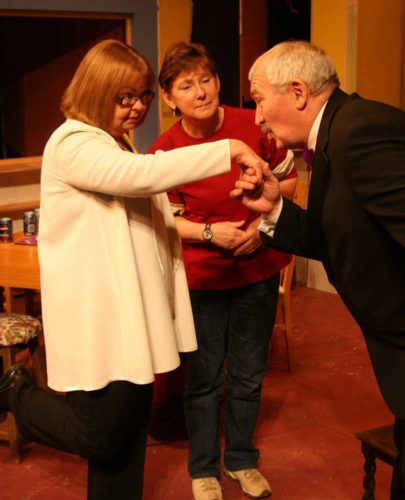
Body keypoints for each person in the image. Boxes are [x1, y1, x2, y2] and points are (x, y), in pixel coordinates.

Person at [0, 39, 268, 500]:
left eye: (143, 96)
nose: (138, 107)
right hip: (100, 320)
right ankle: (16, 392)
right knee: (101, 437)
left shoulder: (112, 141)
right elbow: (139, 175)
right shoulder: (72, 142)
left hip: (132, 320)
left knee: (125, 443)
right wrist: (226, 149)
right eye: (125, 97)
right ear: (96, 90)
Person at [231, 40, 405, 499]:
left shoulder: (360, 132)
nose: (257, 117)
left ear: (297, 91)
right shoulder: (333, 135)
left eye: (258, 99)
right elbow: (333, 237)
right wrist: (273, 209)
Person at [148, 42, 297, 500]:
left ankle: (241, 459)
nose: (200, 92)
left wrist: (262, 226)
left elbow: (289, 178)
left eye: (206, 79)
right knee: (206, 377)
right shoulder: (164, 150)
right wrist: (213, 235)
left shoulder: (251, 123)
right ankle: (203, 469)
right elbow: (166, 218)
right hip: (203, 277)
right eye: (186, 86)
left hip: (259, 267)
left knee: (250, 374)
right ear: (170, 98)